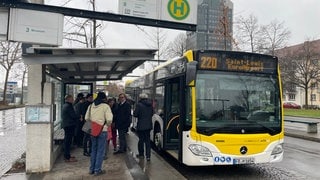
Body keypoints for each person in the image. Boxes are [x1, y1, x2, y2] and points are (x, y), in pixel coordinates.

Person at [85, 92, 113, 176]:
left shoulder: (90, 106)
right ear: (104, 98)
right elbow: (109, 119)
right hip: (102, 131)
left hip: (92, 130)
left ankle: (91, 169)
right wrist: (105, 125)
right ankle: (97, 170)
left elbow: (86, 118)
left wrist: (94, 123)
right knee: (100, 151)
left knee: (94, 149)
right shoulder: (106, 106)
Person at [133, 93, 153, 161]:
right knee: (147, 141)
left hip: (141, 126)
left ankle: (141, 154)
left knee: (141, 140)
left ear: (140, 98)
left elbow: (135, 114)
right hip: (148, 125)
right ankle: (148, 156)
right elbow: (152, 113)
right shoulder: (150, 105)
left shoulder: (139, 105)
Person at [61, 94, 79, 163]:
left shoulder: (65, 105)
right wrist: (79, 117)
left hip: (67, 125)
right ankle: (67, 157)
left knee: (67, 141)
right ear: (68, 99)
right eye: (72, 99)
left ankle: (67, 155)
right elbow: (73, 115)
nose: (73, 100)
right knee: (68, 141)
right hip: (69, 125)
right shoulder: (69, 106)